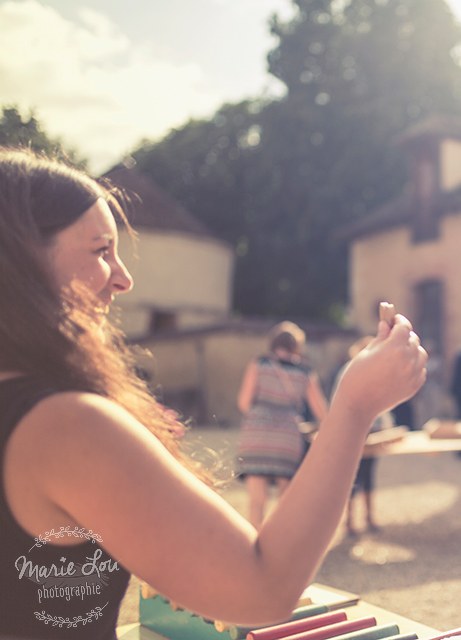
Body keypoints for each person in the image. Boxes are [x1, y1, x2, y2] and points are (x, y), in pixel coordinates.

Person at [0, 148, 427, 638]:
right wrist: (354, 405)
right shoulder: (63, 425)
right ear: (19, 265)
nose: (123, 278)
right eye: (101, 251)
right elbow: (261, 588)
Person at [236, 321, 329, 528]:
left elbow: (243, 402)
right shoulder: (305, 371)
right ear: (296, 346)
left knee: (257, 500)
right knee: (285, 498)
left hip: (256, 435)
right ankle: (279, 544)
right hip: (287, 437)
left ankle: (255, 541)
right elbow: (321, 411)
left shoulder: (258, 364)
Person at [333, 336, 392, 536]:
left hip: (373, 430)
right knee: (353, 477)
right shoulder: (350, 371)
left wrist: (386, 427)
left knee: (368, 475)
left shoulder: (376, 373)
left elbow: (383, 403)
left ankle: (369, 517)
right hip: (355, 429)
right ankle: (349, 521)